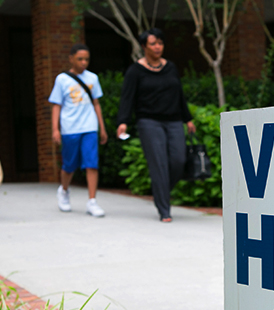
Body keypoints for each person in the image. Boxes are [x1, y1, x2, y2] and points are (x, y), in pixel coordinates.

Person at [116, 28, 196, 223]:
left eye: (160, 43)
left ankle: (160, 191)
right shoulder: (135, 71)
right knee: (159, 164)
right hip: (149, 121)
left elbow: (179, 95)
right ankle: (164, 210)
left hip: (174, 120)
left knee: (178, 160)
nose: (158, 47)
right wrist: (123, 122)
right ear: (144, 46)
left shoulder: (170, 68)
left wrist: (188, 119)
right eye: (153, 43)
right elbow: (127, 98)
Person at [49, 43, 108, 217]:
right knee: (69, 165)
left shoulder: (93, 78)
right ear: (71, 59)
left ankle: (92, 201)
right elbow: (56, 106)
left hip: (89, 127)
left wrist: (101, 127)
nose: (84, 62)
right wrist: (55, 129)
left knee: (92, 164)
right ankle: (64, 191)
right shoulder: (62, 79)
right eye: (80, 59)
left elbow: (96, 103)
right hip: (70, 128)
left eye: (86, 59)